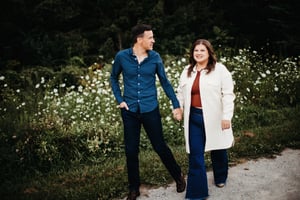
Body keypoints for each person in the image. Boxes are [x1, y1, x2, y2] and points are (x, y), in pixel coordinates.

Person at [110, 24, 186, 200]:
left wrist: (176, 104)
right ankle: (134, 188)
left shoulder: (155, 58)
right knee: (131, 151)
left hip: (150, 108)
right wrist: (119, 99)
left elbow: (165, 82)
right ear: (139, 39)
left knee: (159, 146)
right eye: (150, 37)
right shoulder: (122, 57)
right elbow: (113, 77)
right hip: (129, 111)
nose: (153, 40)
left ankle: (178, 176)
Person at [175, 39, 235, 200]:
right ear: (192, 53)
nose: (199, 53)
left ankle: (220, 176)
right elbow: (180, 93)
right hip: (193, 118)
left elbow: (228, 94)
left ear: (209, 52)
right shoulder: (187, 71)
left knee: (218, 148)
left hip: (215, 118)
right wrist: (178, 108)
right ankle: (197, 194)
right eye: (196, 50)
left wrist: (226, 116)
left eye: (202, 50)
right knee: (195, 155)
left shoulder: (220, 70)